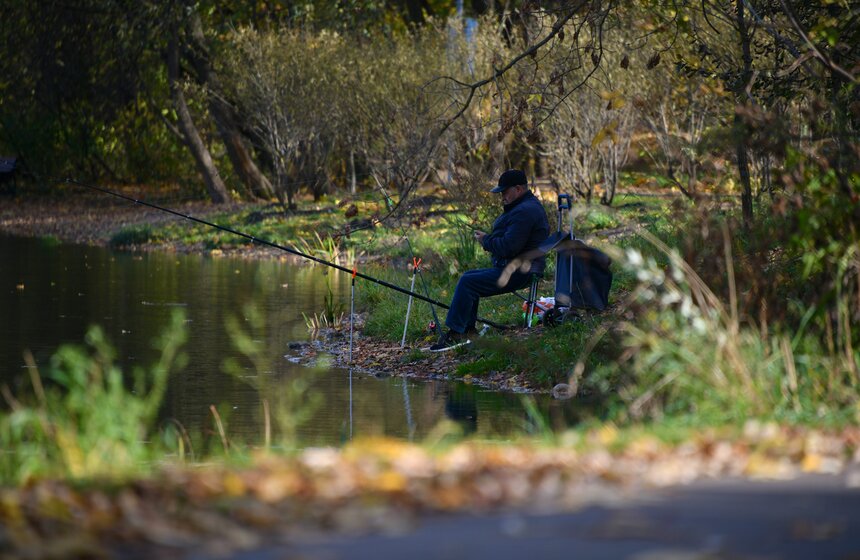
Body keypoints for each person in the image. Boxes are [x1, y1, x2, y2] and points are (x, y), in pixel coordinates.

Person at [430, 169, 549, 352]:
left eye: (504, 192)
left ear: (518, 189)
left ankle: (457, 333)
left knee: (468, 282)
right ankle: (467, 330)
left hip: (520, 272)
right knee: (469, 276)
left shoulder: (524, 211)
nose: (502, 197)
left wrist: (486, 240)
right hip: (520, 268)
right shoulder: (526, 206)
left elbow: (509, 247)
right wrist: (489, 238)